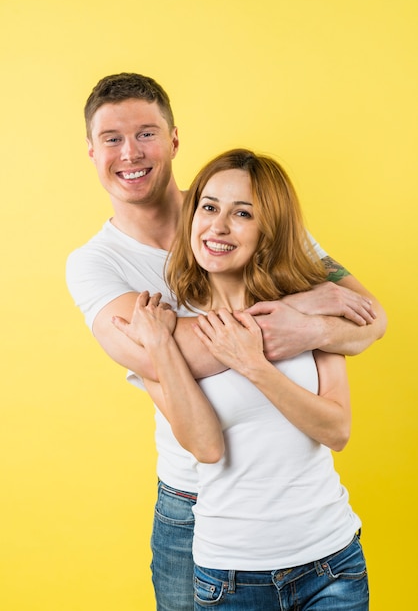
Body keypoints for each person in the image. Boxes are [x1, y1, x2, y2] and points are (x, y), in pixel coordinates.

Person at [66, 73, 385, 610]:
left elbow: (369, 317)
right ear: (91, 151)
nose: (130, 152)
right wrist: (301, 306)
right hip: (189, 502)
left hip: (301, 513)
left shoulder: (245, 205)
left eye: (146, 133)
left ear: (173, 140)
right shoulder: (95, 264)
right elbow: (156, 356)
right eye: (112, 139)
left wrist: (316, 328)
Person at [113, 148, 369, 610]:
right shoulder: (167, 327)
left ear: (267, 231)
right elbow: (206, 447)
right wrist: (160, 347)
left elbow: (337, 431)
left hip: (332, 561)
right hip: (231, 575)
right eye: (208, 207)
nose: (218, 226)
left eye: (243, 213)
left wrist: (253, 363)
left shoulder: (306, 309)